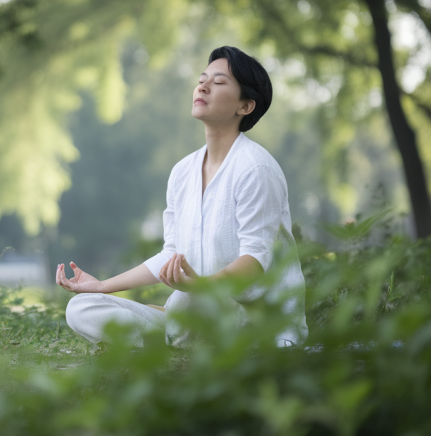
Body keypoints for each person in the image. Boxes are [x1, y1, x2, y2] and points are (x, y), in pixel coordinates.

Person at [56, 46, 308, 348]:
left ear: (245, 106)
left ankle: (178, 340)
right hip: (195, 314)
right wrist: (102, 286)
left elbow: (254, 261)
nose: (203, 86)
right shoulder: (182, 172)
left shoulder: (255, 168)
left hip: (254, 322)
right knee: (82, 308)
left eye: (219, 82)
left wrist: (201, 286)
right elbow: (171, 254)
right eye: (203, 79)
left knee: (188, 301)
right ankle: (178, 340)